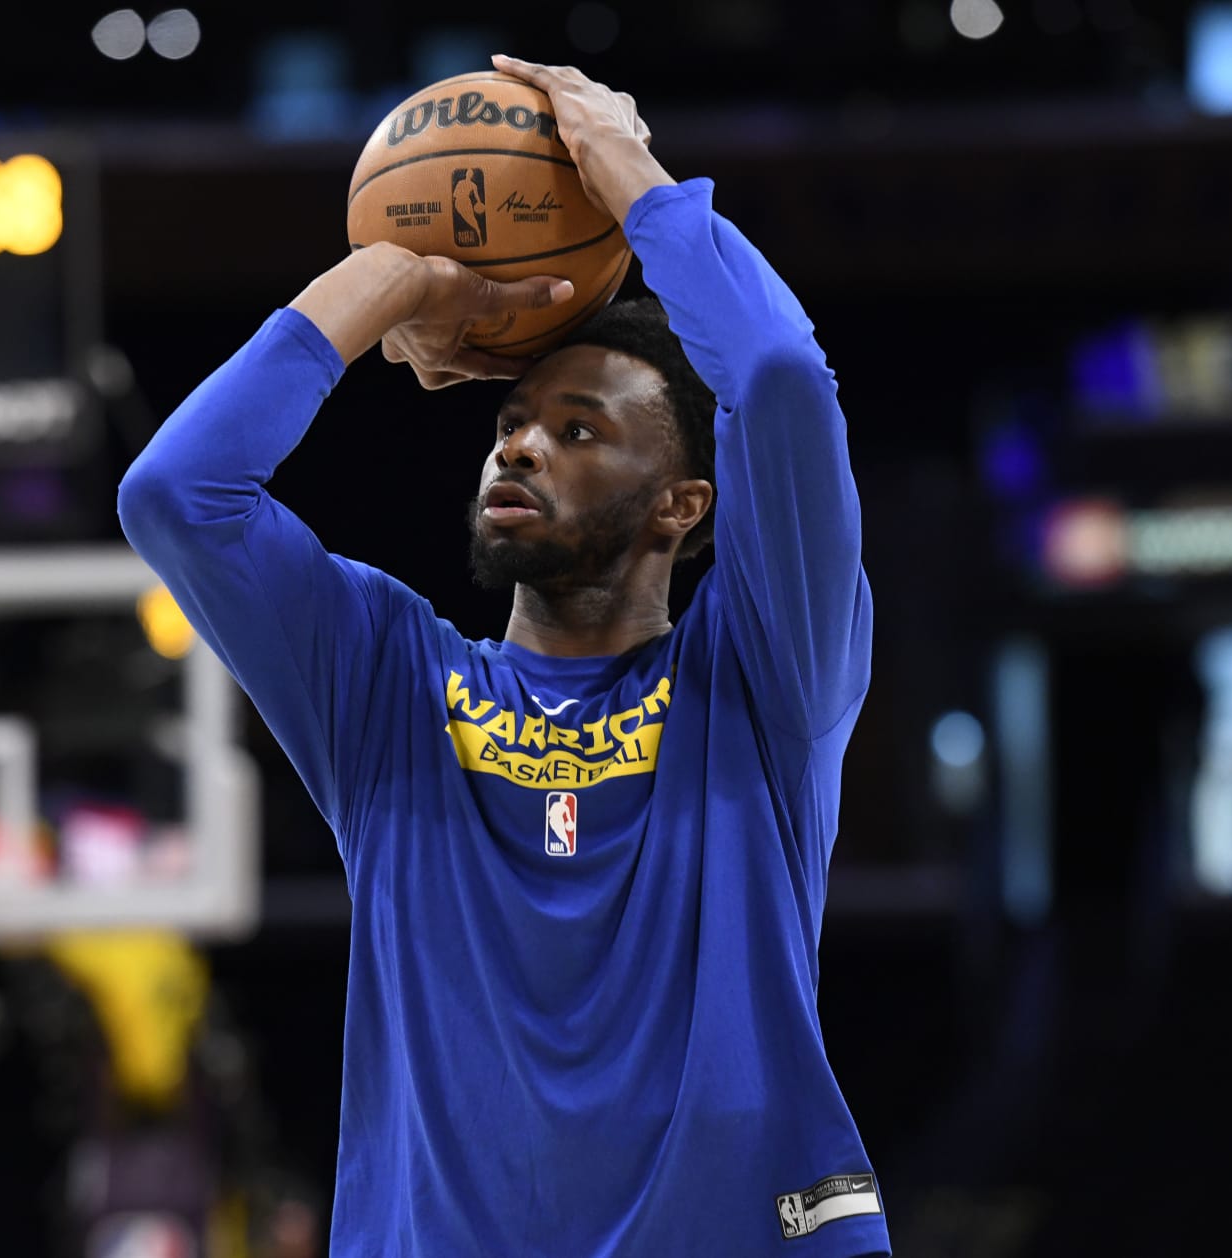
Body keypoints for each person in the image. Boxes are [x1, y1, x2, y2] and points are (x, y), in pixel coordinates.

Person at [119, 54, 885, 1258]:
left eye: (577, 431)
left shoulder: (764, 681)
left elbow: (783, 380)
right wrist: (394, 275)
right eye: (510, 426)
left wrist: (631, 178)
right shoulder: (385, 684)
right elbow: (177, 493)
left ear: (685, 506)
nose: (518, 450)